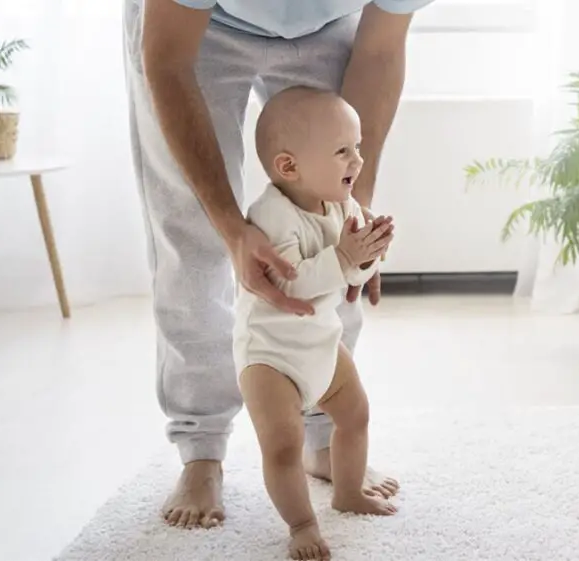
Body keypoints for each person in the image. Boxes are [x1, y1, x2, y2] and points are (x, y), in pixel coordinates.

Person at [121, 0, 431, 530]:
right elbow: (168, 60)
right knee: (193, 235)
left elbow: (379, 51)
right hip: (196, 29)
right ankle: (201, 448)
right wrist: (229, 226)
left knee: (332, 225)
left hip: (329, 26)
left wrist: (352, 214)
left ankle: (323, 433)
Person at [234, 86, 394, 561]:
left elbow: (351, 276)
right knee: (284, 447)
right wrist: (345, 256)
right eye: (343, 151)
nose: (358, 161)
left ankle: (347, 492)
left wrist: (369, 255)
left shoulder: (343, 205)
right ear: (289, 167)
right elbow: (292, 284)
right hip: (270, 357)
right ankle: (302, 524)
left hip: (322, 344)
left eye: (358, 147)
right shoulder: (270, 217)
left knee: (356, 415)